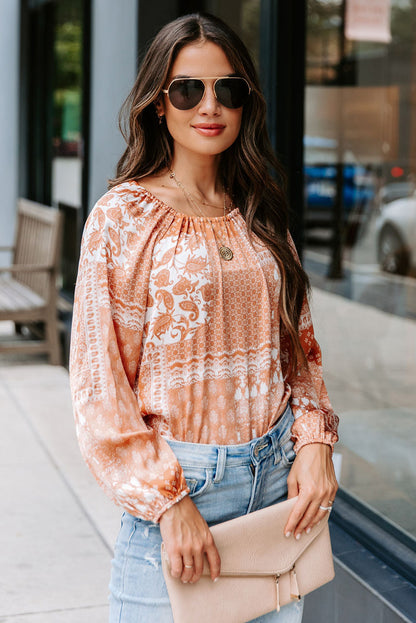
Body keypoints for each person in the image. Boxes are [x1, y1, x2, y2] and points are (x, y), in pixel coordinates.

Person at [69, 12, 339, 623]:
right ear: (157, 104)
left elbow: (298, 346)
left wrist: (316, 443)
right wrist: (168, 503)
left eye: (229, 89)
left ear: (247, 103)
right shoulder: (122, 219)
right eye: (188, 89)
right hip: (183, 491)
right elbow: (99, 386)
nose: (209, 105)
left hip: (277, 488)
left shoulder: (259, 210)